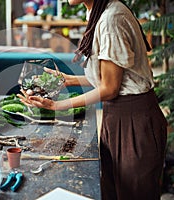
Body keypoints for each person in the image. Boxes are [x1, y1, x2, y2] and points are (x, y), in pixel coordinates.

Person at [17, 0, 168, 199]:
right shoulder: (99, 11)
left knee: (134, 193)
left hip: (134, 121)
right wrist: (68, 81)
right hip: (117, 116)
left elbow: (110, 88)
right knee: (112, 190)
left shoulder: (110, 19)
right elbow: (111, 78)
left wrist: (56, 106)